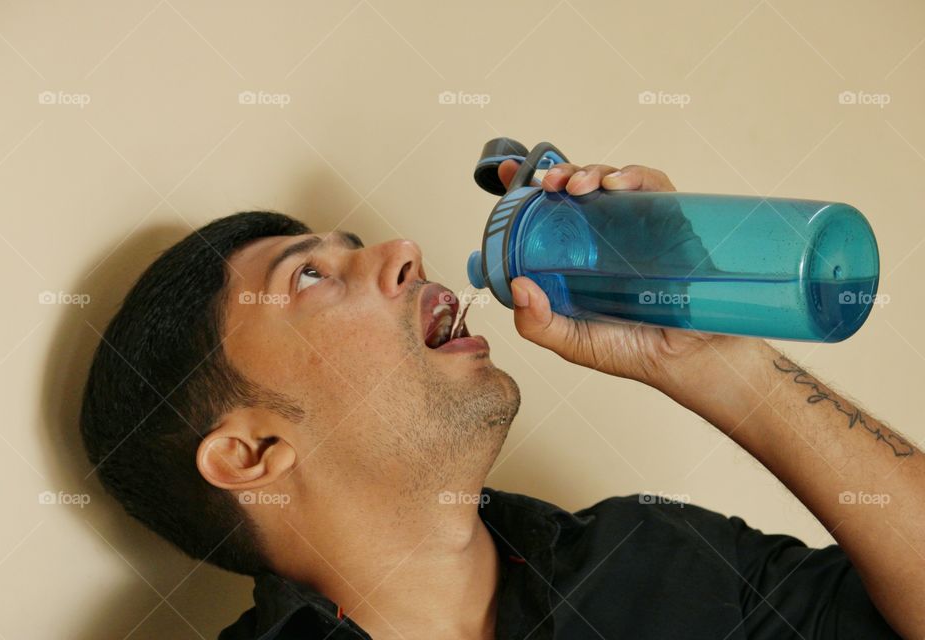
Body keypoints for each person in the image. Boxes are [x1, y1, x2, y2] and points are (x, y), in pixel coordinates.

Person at [79, 158, 922, 639]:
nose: (403, 250)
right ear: (252, 455)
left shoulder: (656, 557)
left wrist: (713, 359)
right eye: (309, 275)